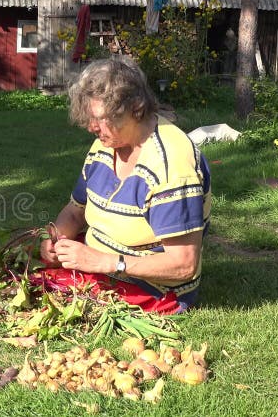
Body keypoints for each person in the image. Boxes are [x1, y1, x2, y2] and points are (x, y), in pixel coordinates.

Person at [40, 57, 211, 314]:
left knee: (41, 292)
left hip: (153, 288)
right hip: (100, 264)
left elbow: (182, 264)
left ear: (136, 108)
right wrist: (55, 239)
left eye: (99, 119)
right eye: (88, 118)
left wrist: (104, 262)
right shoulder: (106, 144)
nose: (91, 127)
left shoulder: (171, 164)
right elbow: (75, 210)